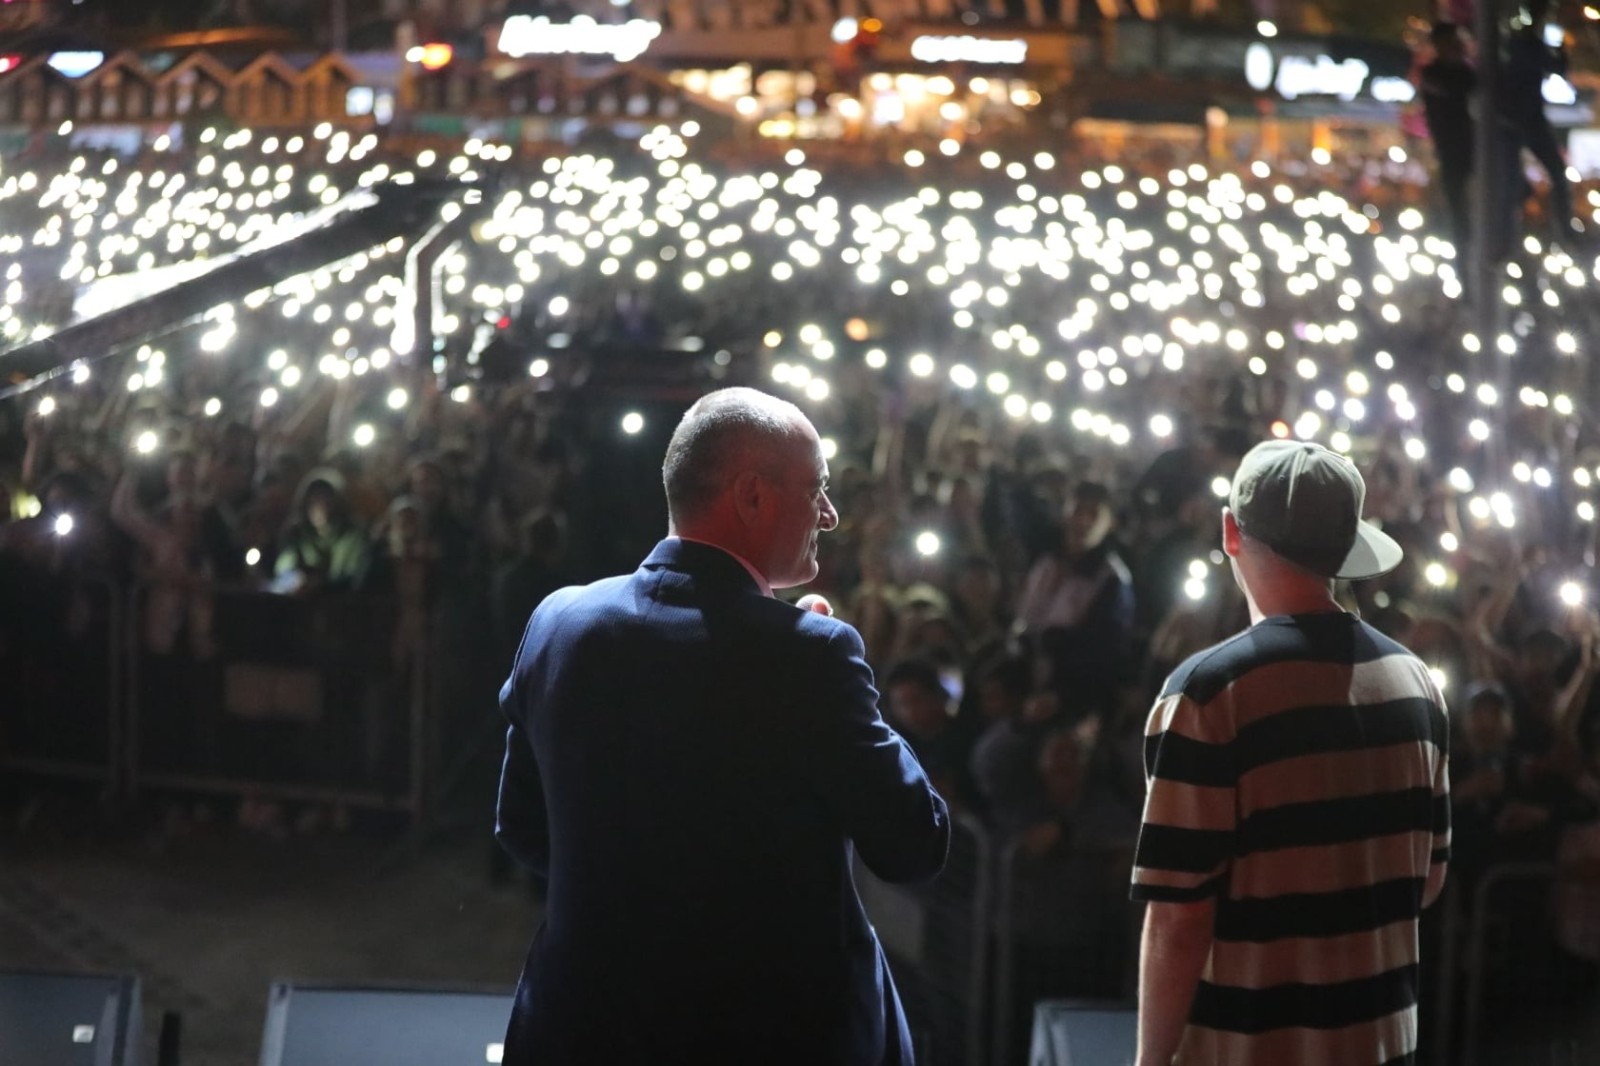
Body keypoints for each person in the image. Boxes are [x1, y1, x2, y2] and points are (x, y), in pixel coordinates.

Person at [495, 386, 950, 1065]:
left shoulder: (560, 623)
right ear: (752, 495)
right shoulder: (811, 656)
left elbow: (523, 827)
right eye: (816, 488)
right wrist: (839, 686)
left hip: (585, 1028)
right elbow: (914, 840)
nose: (828, 514)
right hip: (771, 1037)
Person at [1131, 440, 1450, 1066]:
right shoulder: (1417, 682)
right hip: (1381, 1047)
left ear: (1231, 532)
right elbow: (1429, 880)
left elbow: (1179, 919)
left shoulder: (1206, 694)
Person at [1420, 23, 1477, 253]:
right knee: (1457, 203)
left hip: (1472, 146)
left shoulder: (1467, 73)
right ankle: (1463, 242)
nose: (1458, 45)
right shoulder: (1432, 75)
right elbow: (1454, 92)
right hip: (1452, 147)